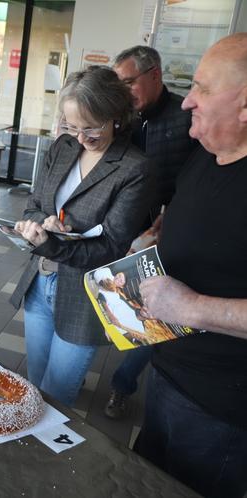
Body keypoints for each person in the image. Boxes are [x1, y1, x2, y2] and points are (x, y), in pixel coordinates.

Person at [134, 33, 247, 498]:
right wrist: (159, 232)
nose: (186, 103)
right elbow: (187, 211)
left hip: (221, 407)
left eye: (202, 88)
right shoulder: (206, 153)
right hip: (165, 372)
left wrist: (193, 306)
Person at [9, 65, 154, 407]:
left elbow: (110, 247)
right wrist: (39, 223)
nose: (79, 138)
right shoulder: (62, 147)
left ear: (116, 117)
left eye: (90, 128)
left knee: (57, 396)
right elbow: (33, 204)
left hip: (86, 294)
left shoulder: (135, 168)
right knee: (34, 385)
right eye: (71, 126)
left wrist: (50, 244)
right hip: (41, 280)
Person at [104, 45, 197, 419]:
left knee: (152, 314)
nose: (124, 91)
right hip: (127, 228)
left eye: (129, 82)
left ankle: (122, 386)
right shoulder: (124, 118)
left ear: (155, 75)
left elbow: (194, 183)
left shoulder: (186, 119)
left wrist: (169, 220)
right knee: (120, 304)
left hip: (166, 233)